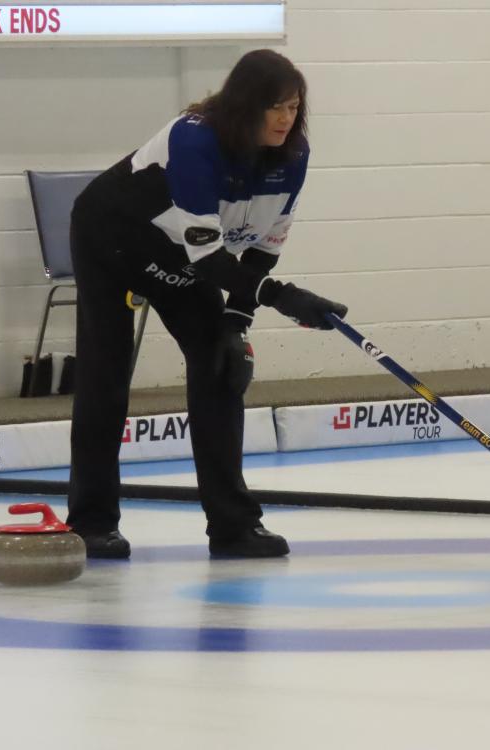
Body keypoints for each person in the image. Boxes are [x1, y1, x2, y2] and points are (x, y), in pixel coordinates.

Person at [66, 49, 346, 560]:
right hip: (114, 241)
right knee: (106, 377)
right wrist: (282, 298)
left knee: (221, 364)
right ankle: (91, 521)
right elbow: (211, 258)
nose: (285, 119)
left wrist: (237, 321)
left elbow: (262, 250)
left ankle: (234, 526)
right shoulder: (194, 140)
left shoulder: (293, 156)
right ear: (245, 104)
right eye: (274, 107)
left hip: (185, 256)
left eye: (293, 107)